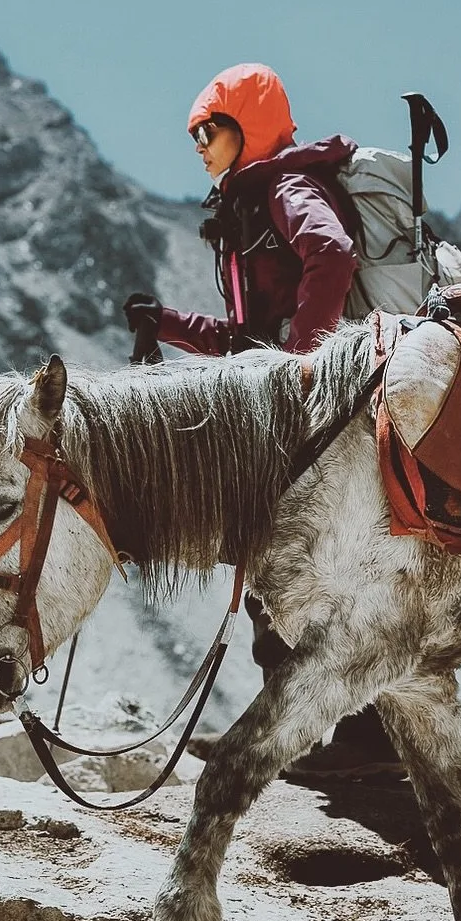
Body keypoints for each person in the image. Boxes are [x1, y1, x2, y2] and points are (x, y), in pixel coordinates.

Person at [123, 62, 403, 779]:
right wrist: (170, 324)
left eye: (207, 129)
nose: (197, 144)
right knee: (286, 571)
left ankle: (351, 738)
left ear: (245, 125)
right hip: (304, 397)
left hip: (322, 402)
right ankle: (332, 733)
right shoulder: (253, 202)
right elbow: (249, 341)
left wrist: (304, 366)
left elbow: (332, 256)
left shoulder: (286, 186)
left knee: (301, 563)